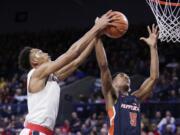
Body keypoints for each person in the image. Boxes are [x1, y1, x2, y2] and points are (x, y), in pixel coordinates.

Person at [18, 10, 117, 135]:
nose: (44, 52)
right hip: (34, 131)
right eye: (38, 52)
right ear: (34, 62)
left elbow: (77, 61)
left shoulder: (51, 77)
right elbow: (72, 53)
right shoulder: (36, 72)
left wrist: (97, 34)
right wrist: (96, 27)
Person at [95, 24, 159, 135]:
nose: (125, 75)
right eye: (120, 75)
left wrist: (153, 48)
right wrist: (97, 36)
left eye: (126, 76)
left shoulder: (136, 97)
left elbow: (153, 78)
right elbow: (103, 65)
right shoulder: (111, 96)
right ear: (113, 83)